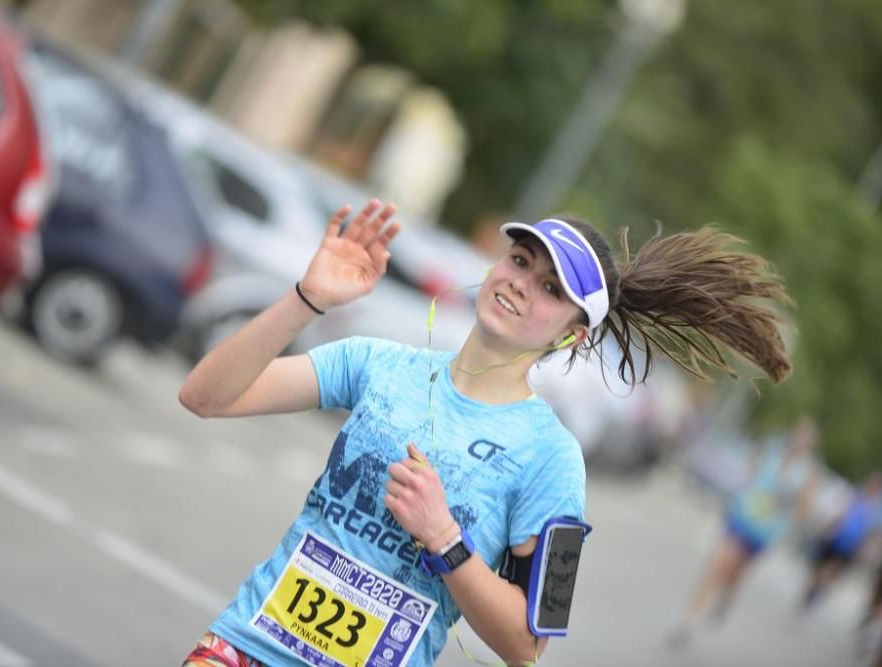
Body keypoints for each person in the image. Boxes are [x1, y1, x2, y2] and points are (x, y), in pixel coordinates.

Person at [179, 199, 794, 667]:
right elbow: (204, 396)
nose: (522, 284)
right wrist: (308, 298)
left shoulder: (554, 460)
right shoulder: (375, 362)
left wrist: (444, 537)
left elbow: (530, 643)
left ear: (572, 335)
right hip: (244, 647)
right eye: (521, 261)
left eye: (552, 289)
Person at [669, 417, 819, 646]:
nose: (799, 441)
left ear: (810, 445)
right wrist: (748, 485)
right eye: (798, 435)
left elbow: (804, 508)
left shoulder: (806, 472)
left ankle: (727, 596)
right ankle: (688, 621)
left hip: (763, 531)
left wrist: (788, 511)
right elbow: (751, 468)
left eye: (805, 439)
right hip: (742, 516)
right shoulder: (773, 450)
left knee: (735, 573)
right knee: (718, 564)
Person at [801, 472, 882, 611]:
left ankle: (819, 589)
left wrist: (866, 549)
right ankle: (815, 587)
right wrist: (829, 526)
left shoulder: (876, 510)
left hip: (851, 547)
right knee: (818, 567)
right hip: (835, 537)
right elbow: (839, 510)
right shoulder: (855, 494)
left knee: (832, 571)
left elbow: (873, 534)